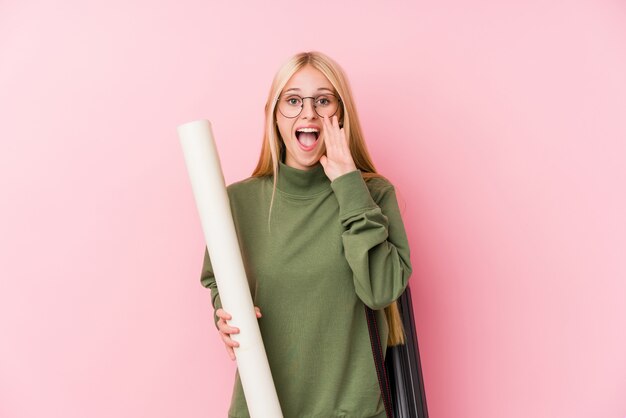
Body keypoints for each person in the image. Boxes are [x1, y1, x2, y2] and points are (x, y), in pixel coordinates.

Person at [200, 50, 412, 418]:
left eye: (324, 100)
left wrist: (348, 184)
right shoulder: (238, 202)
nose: (309, 113)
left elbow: (381, 291)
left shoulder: (374, 194)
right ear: (274, 114)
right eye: (294, 100)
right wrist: (225, 312)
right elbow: (218, 281)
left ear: (341, 115)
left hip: (352, 410)